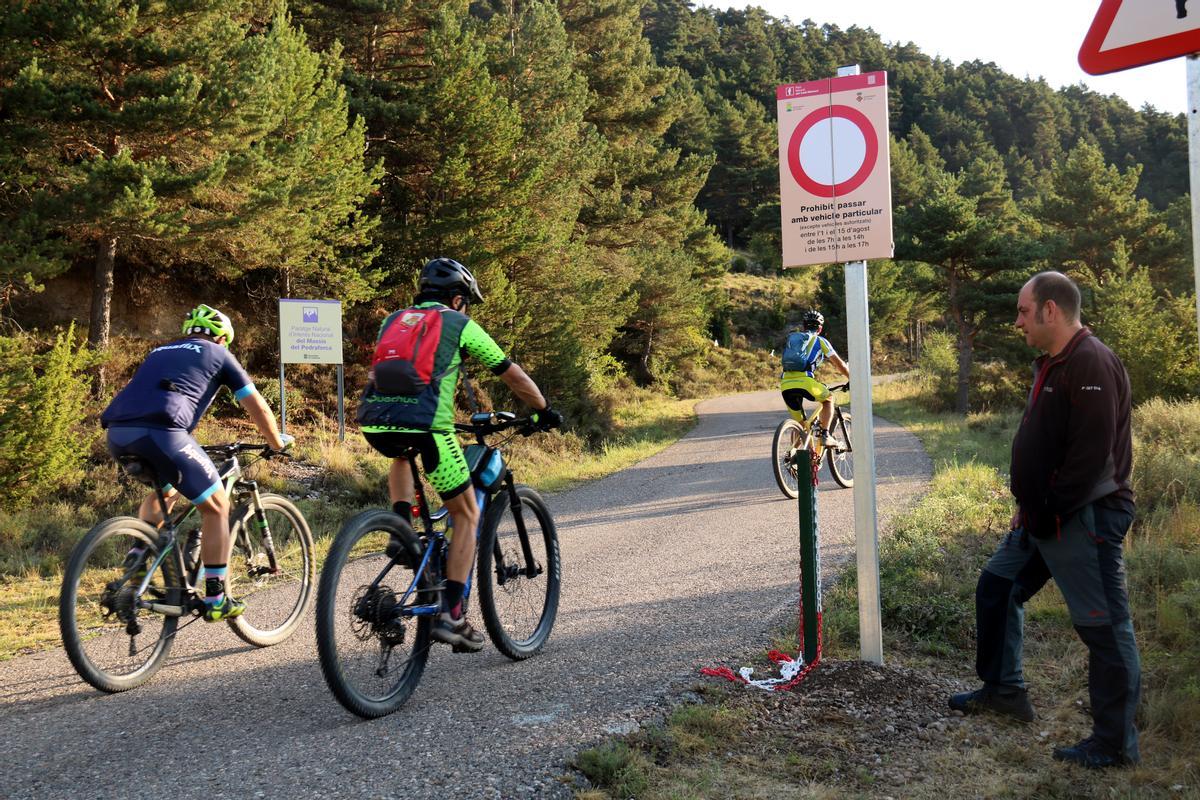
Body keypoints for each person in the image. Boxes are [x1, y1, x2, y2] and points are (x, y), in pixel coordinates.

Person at [949, 271, 1140, 769]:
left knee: (1105, 627)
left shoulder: (1091, 361)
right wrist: (1029, 503)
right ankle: (1003, 691)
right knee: (997, 585)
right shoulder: (1055, 363)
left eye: (1023, 311)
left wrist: (1047, 507)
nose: (1018, 322)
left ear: (1051, 310)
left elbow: (1091, 460)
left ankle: (1115, 745)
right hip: (1044, 516)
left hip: (1084, 519)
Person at [358, 257, 561, 652]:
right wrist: (542, 409)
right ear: (457, 298)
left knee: (401, 456)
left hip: (375, 422)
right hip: (429, 427)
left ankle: (402, 530)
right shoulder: (458, 323)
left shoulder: (394, 320)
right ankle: (452, 616)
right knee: (467, 513)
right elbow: (510, 372)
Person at [101, 304, 292, 622]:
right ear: (222, 338)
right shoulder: (219, 355)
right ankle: (217, 597)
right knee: (217, 507)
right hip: (165, 434)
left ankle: (136, 562)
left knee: (167, 491)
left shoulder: (159, 352)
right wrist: (276, 442)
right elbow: (256, 406)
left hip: (119, 434)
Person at [779, 309, 850, 445]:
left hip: (786, 384)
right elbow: (839, 364)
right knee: (828, 398)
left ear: (804, 326)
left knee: (801, 426)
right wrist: (852, 378)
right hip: (806, 382)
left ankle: (793, 457)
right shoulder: (820, 341)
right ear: (820, 328)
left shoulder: (795, 340)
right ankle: (825, 435)